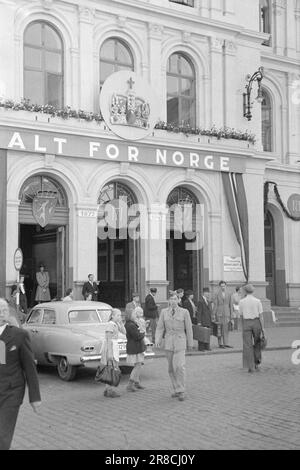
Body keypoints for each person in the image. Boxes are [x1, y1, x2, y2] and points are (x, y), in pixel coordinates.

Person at [0, 298, 41, 450]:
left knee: (2, 436)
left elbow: (30, 367)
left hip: (11, 392)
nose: (1, 314)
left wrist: (34, 397)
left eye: (4, 310)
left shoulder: (19, 335)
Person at [155, 293, 193, 401]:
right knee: (171, 368)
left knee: (180, 366)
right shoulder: (164, 312)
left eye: (175, 299)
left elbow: (189, 328)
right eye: (171, 299)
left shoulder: (184, 312)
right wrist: (157, 339)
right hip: (168, 343)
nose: (173, 301)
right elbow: (160, 328)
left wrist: (190, 343)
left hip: (180, 341)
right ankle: (176, 388)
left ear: (178, 300)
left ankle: (181, 390)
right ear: (168, 300)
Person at [99, 308, 126, 398]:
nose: (119, 317)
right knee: (111, 368)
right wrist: (110, 353)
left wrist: (121, 323)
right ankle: (109, 390)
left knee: (111, 368)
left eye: (120, 315)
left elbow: (124, 332)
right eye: (118, 315)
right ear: (112, 316)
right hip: (110, 348)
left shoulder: (116, 324)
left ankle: (107, 389)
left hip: (113, 347)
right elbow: (108, 339)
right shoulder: (110, 325)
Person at [239, 284, 265, 373]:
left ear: (245, 291)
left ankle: (250, 366)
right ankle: (257, 363)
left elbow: (241, 316)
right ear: (253, 291)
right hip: (256, 322)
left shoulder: (241, 301)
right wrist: (263, 328)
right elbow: (261, 316)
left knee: (247, 345)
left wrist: (243, 326)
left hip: (246, 322)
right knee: (257, 343)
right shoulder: (258, 301)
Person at [125, 308, 146, 392]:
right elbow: (137, 336)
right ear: (130, 315)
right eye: (134, 314)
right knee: (138, 365)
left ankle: (136, 382)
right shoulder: (131, 325)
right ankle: (130, 384)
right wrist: (143, 333)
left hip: (135, 346)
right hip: (135, 347)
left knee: (139, 364)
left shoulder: (131, 324)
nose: (135, 315)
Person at [213, 281, 233, 349]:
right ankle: (220, 344)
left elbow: (231, 304)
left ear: (226, 286)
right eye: (221, 286)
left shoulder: (229, 293)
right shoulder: (216, 294)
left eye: (224, 286)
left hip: (227, 313)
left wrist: (231, 315)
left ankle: (226, 343)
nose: (223, 287)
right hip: (219, 313)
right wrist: (213, 314)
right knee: (219, 329)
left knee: (226, 329)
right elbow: (215, 304)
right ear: (219, 287)